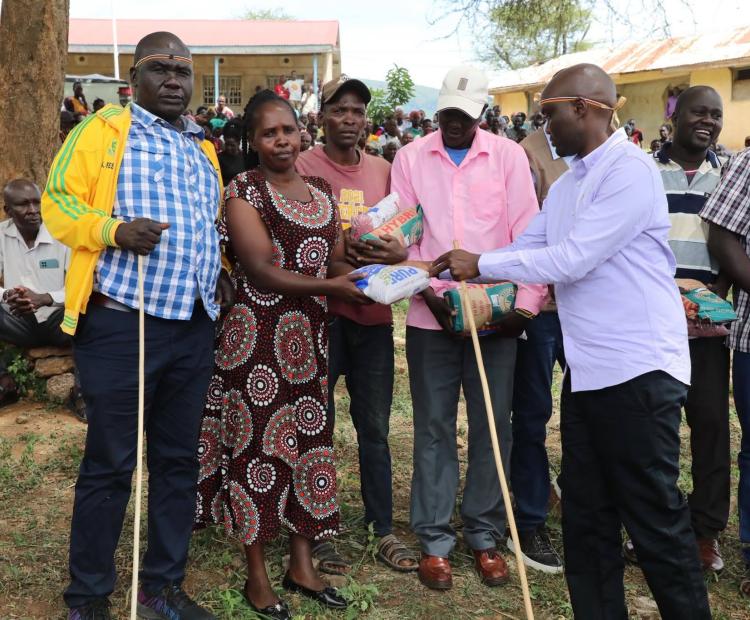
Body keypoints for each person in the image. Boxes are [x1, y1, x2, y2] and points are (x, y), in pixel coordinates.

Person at [433, 63, 711, 619]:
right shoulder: (570, 184)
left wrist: (479, 261)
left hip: (639, 375)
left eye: (549, 113)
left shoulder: (628, 172)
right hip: (587, 377)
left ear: (584, 108)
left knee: (654, 520)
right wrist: (438, 265)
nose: (543, 126)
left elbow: (573, 259)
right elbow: (526, 245)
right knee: (587, 521)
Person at [43, 31, 234, 620]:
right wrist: (113, 230)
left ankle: (162, 587)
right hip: (124, 322)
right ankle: (89, 596)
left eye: (184, 70)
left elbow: (209, 223)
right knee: (111, 461)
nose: (175, 80)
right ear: (135, 77)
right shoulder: (101, 134)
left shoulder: (203, 147)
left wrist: (220, 267)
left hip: (192, 326)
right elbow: (57, 204)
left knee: (178, 461)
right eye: (161, 69)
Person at [196, 90, 361, 619]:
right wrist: (337, 291)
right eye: (269, 133)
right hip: (257, 340)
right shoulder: (244, 190)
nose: (281, 140)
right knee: (259, 452)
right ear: (253, 140)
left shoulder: (320, 190)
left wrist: (370, 281)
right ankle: (257, 577)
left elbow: (334, 260)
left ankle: (301, 565)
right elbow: (260, 268)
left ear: (300, 131)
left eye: (287, 130)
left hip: (309, 340)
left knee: (310, 445)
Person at [391, 65, 545, 592]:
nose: (454, 124)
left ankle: (483, 532)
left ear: (483, 113)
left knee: (492, 425)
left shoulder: (507, 158)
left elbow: (527, 234)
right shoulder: (410, 158)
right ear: (437, 112)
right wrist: (432, 299)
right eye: (446, 115)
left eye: (464, 115)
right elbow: (405, 240)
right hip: (430, 317)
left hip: (496, 316)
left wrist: (520, 309)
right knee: (433, 428)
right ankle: (435, 539)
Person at [296, 76, 418, 574]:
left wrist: (400, 254)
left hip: (372, 319)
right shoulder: (302, 166)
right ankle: (318, 529)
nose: (349, 119)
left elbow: (405, 234)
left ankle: (381, 527)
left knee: (374, 427)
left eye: (357, 111)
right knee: (316, 426)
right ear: (320, 115)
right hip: (319, 318)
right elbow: (299, 240)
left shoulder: (386, 170)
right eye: (339, 109)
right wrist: (345, 272)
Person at [620, 85, 730, 575]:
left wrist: (710, 301)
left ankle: (704, 532)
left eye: (715, 114)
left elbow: (733, 244)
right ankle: (652, 528)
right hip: (650, 324)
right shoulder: (643, 169)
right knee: (652, 432)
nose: (707, 121)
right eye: (698, 113)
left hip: (708, 325)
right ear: (675, 115)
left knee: (709, 426)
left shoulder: (728, 174)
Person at [506, 124, 570, 573]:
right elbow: (526, 234)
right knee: (532, 413)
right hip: (543, 306)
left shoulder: (605, 158)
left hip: (589, 307)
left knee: (592, 408)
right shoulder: (526, 155)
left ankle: (578, 497)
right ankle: (528, 518)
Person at [700, 144, 750, 597]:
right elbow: (724, 233)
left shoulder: (734, 166)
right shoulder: (749, 165)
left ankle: (709, 530)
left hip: (719, 330)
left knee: (717, 430)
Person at [0, 179, 71, 408]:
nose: (33, 210)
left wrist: (46, 298)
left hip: (59, 321)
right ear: (7, 210)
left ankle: (82, 391)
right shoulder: (1, 235)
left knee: (94, 312)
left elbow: (84, 288)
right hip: (18, 320)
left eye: (36, 202)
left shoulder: (63, 234)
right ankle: (5, 384)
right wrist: (7, 295)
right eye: (23, 204)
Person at [218, 118, 246, 184]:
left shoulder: (245, 157)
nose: (229, 148)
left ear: (238, 143)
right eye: (227, 144)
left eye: (232, 145)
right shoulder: (219, 158)